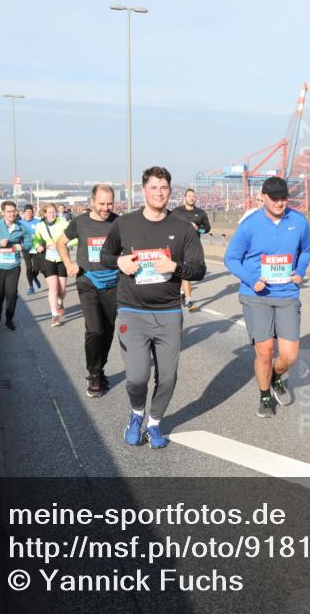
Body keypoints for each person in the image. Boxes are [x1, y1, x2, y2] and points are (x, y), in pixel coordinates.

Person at [100, 167, 206, 448]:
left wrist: (176, 267)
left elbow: (199, 269)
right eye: (153, 187)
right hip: (132, 311)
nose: (159, 193)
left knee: (168, 376)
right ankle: (136, 414)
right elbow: (105, 254)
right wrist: (118, 262)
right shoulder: (125, 223)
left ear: (170, 192)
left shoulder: (182, 227)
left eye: (164, 188)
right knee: (136, 377)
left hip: (169, 311)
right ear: (143, 190)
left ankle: (155, 422)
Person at [224, 176, 310, 418]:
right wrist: (252, 280)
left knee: (289, 355)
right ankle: (264, 395)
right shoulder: (250, 224)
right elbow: (231, 258)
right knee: (264, 351)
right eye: (275, 198)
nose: (280, 203)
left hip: (287, 293)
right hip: (256, 295)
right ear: (262, 196)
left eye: (284, 198)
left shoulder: (298, 221)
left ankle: (275, 376)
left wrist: (300, 271)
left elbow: (306, 250)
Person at [58, 184, 120, 397]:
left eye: (109, 203)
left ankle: (100, 368)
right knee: (95, 329)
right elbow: (61, 243)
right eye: (101, 203)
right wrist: (68, 264)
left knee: (109, 329)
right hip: (88, 281)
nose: (106, 208)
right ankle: (94, 374)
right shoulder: (80, 222)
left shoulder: (118, 222)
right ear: (92, 202)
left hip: (113, 282)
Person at [0, 201, 32, 331]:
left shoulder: (21, 227)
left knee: (12, 293)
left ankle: (9, 319)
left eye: (14, 211)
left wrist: (23, 246)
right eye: (9, 211)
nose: (12, 214)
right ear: (3, 212)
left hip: (13, 266)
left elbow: (29, 242)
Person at [169, 187, 212, 311]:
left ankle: (188, 300)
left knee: (186, 271)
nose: (191, 198)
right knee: (176, 271)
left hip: (192, 247)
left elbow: (208, 228)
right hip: (177, 246)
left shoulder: (201, 213)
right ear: (185, 198)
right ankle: (181, 293)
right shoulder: (176, 212)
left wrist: (198, 228)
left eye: (193, 196)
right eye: (189, 196)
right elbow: (168, 223)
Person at [32, 203, 72, 327]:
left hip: (62, 257)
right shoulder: (40, 226)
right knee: (53, 287)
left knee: (62, 289)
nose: (52, 214)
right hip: (47, 258)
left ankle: (60, 301)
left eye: (54, 212)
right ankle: (54, 316)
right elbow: (36, 239)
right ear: (44, 214)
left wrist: (63, 245)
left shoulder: (63, 223)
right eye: (49, 212)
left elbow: (73, 238)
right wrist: (38, 245)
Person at [19, 204, 42, 295]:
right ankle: (31, 287)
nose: (28, 213)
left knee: (36, 268)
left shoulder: (38, 222)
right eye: (27, 211)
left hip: (36, 247)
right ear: (24, 213)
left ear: (32, 212)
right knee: (29, 268)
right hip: (26, 248)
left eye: (30, 211)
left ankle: (34, 277)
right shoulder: (19, 223)